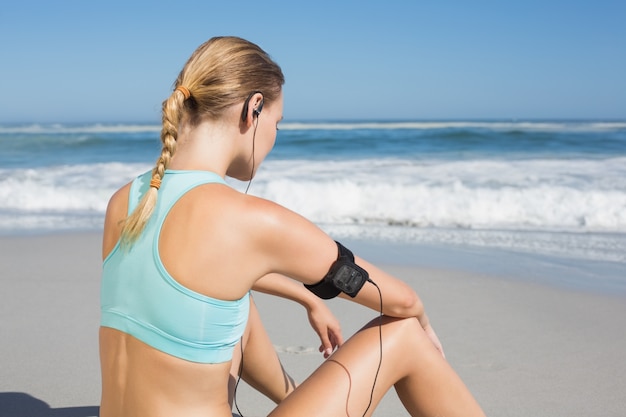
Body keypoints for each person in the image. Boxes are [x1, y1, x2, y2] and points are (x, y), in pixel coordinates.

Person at [99, 36, 486, 417]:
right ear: (254, 108)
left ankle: (292, 399)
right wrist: (424, 323)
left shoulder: (128, 199)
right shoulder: (247, 218)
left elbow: (196, 279)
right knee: (403, 336)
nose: (273, 139)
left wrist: (308, 298)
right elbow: (400, 300)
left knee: (235, 301)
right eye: (277, 124)